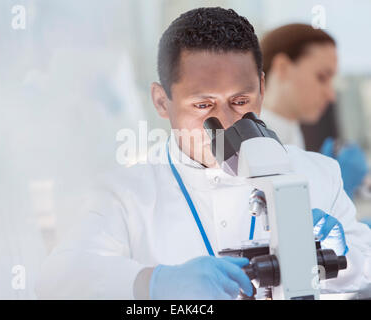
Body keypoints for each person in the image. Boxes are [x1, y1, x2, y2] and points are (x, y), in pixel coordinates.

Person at [36, 7, 371, 300]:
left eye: (241, 102)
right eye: (203, 105)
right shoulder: (126, 192)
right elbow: (58, 280)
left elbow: (366, 266)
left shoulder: (317, 173)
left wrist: (342, 258)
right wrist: (154, 283)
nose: (226, 123)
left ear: (263, 88)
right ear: (162, 102)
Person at [260, 24, 368, 199]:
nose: (331, 95)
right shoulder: (253, 143)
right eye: (322, 77)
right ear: (283, 67)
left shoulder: (290, 130)